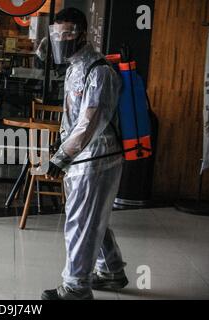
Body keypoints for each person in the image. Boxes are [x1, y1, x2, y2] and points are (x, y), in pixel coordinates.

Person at [41, 7, 129, 300]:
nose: (60, 39)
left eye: (66, 33)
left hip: (97, 158)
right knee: (91, 217)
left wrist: (61, 157)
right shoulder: (74, 66)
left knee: (81, 221)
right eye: (56, 34)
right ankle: (112, 270)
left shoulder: (99, 70)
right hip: (83, 158)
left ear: (82, 34)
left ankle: (76, 287)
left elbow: (89, 124)